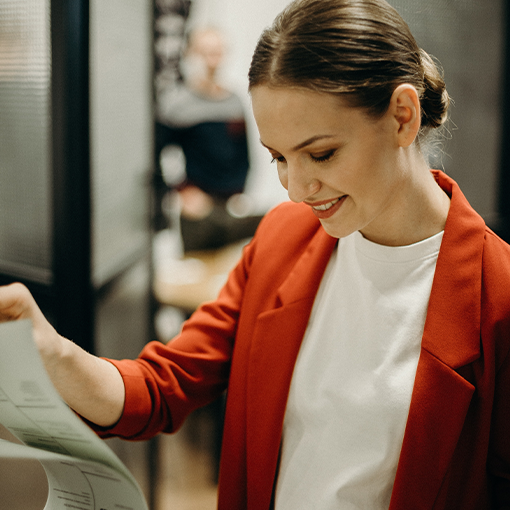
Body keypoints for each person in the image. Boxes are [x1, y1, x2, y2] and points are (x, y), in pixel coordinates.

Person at [1, 0, 510, 508]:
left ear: (403, 116)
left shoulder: (497, 294)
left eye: (322, 153)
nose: (297, 189)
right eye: (279, 158)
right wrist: (53, 351)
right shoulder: (284, 239)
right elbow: (164, 385)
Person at [155, 27, 263, 251]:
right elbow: (155, 156)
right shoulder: (177, 104)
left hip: (232, 206)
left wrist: (242, 193)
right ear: (189, 55)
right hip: (198, 211)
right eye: (204, 53)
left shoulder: (234, 102)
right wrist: (181, 191)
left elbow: (244, 154)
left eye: (217, 52)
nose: (212, 61)